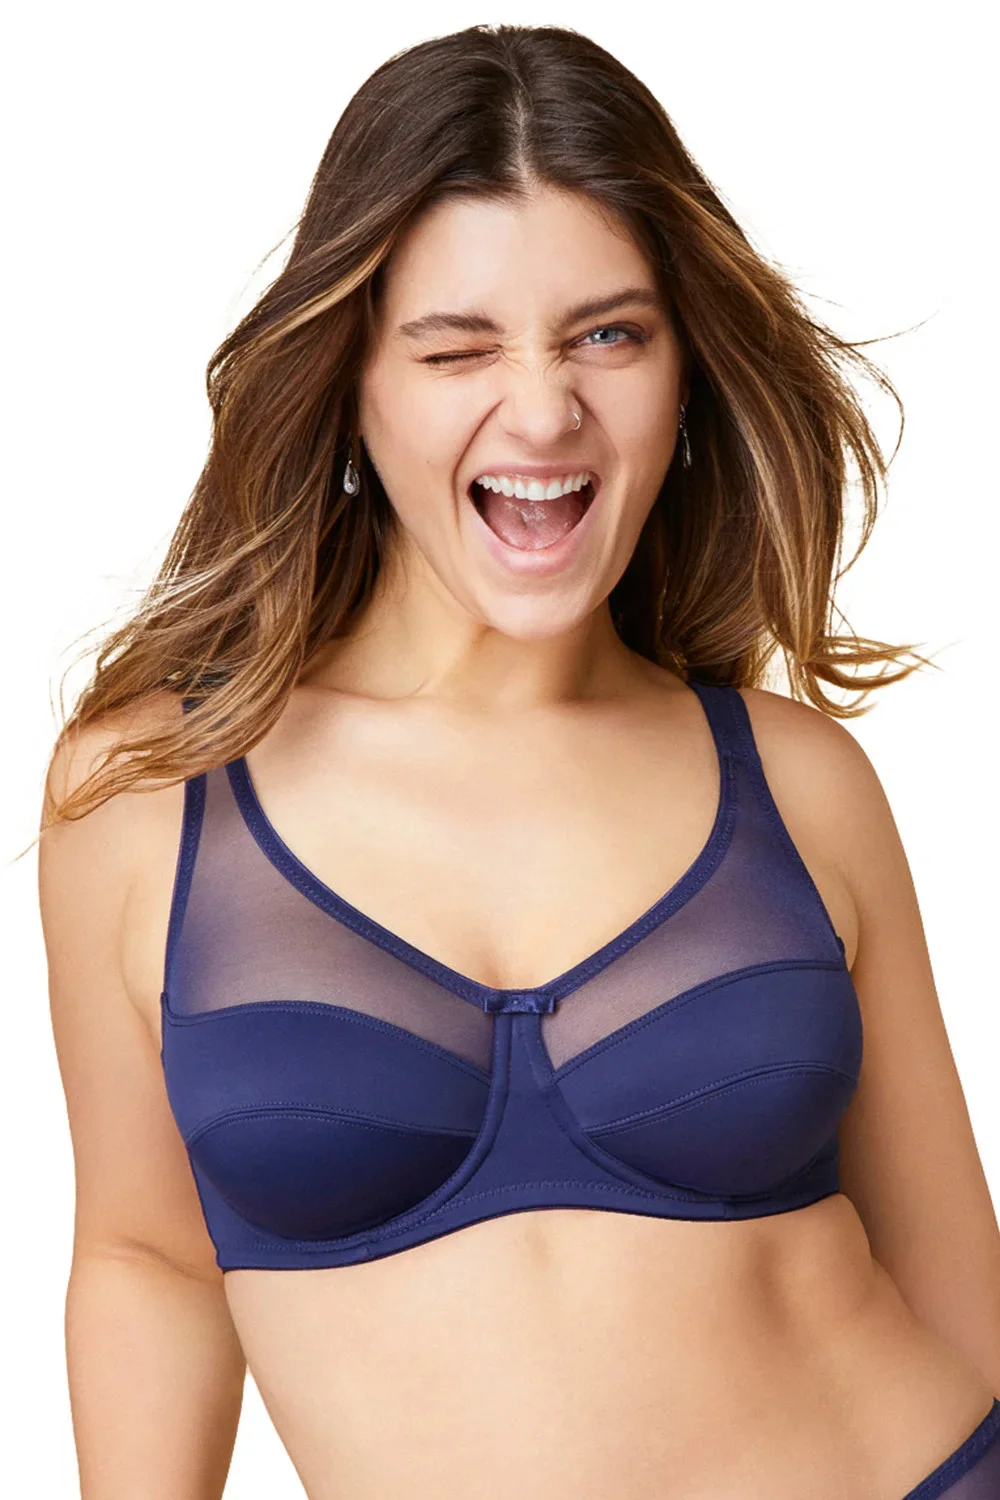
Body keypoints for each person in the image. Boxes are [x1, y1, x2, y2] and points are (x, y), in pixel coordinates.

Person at [37, 22, 1000, 1500]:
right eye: (458, 348)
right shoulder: (151, 794)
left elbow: (956, 1283)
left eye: (610, 335)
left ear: (685, 371)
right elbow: (148, 1258)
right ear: (353, 381)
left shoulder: (798, 784)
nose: (544, 409)